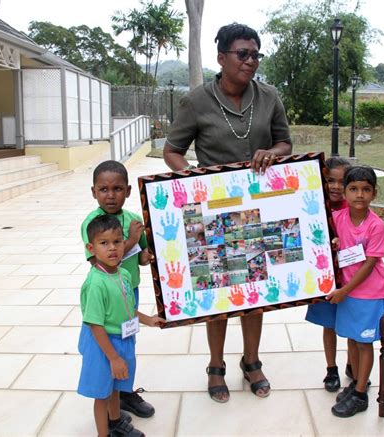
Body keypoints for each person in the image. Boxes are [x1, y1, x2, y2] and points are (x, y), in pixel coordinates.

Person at [163, 23, 292, 403]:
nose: (251, 62)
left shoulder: (269, 97)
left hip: (260, 209)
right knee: (217, 294)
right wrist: (191, 178)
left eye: (256, 55)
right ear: (221, 58)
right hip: (213, 212)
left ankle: (251, 362)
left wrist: (274, 153)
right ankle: (215, 365)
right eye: (243, 54)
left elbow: (285, 142)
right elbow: (173, 150)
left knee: (255, 290)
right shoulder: (196, 101)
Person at [77, 215, 165, 436]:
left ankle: (116, 422)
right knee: (102, 393)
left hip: (123, 339)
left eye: (117, 242)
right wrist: (114, 358)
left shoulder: (123, 273)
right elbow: (95, 325)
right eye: (104, 243)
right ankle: (103, 433)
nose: (113, 248)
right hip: (103, 345)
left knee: (116, 387)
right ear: (91, 247)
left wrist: (149, 320)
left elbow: (127, 308)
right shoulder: (95, 284)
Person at [81, 160, 155, 418]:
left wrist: (154, 253)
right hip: (108, 296)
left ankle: (123, 392)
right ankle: (114, 393)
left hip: (129, 289)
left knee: (127, 345)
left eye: (117, 188)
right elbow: (97, 263)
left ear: (128, 191)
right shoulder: (92, 223)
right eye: (103, 189)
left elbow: (143, 258)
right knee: (109, 345)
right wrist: (131, 240)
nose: (110, 195)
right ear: (94, 192)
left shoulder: (134, 219)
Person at [326, 166, 384, 417]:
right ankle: (355, 384)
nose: (359, 195)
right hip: (350, 294)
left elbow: (369, 264)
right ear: (345, 192)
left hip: (370, 294)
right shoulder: (339, 219)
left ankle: (361, 394)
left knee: (364, 343)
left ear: (374, 193)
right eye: (353, 189)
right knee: (352, 339)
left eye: (366, 189)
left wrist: (343, 291)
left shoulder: (376, 226)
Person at [305, 157, 351, 392]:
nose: (335, 186)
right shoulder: (312, 206)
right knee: (329, 325)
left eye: (341, 182)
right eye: (329, 180)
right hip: (326, 280)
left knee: (352, 325)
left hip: (351, 280)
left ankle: (353, 365)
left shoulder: (354, 209)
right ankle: (331, 368)